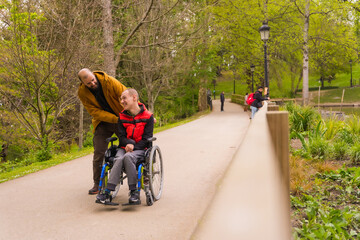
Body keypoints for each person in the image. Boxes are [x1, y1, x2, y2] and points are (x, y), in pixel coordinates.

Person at [96, 88, 154, 205]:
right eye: (121, 99)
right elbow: (121, 137)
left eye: (124, 98)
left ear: (134, 98)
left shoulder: (148, 117)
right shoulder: (122, 117)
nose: (121, 101)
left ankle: (134, 192)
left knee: (129, 157)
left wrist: (133, 146)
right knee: (118, 158)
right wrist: (128, 143)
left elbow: (147, 138)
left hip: (141, 149)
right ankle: (107, 192)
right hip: (124, 148)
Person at [77, 68, 127, 194]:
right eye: (89, 83)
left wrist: (140, 113)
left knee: (131, 145)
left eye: (93, 80)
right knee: (99, 152)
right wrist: (114, 119)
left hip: (121, 118)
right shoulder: (82, 92)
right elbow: (94, 112)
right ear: (83, 83)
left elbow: (127, 96)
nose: (93, 84)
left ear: (94, 75)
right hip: (103, 122)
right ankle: (97, 183)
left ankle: (144, 176)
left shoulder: (109, 81)